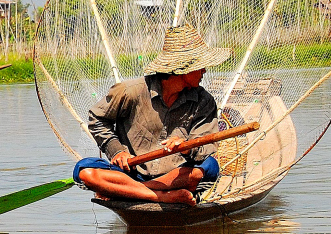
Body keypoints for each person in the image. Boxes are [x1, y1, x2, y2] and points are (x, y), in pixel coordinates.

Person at [74, 24, 229, 206]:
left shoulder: (203, 101)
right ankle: (160, 196)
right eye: (200, 66)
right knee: (84, 170)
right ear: (183, 69)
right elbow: (98, 120)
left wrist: (186, 147)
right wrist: (117, 151)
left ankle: (130, 192)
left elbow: (206, 148)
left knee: (209, 167)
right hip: (132, 174)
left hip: (176, 176)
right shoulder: (130, 91)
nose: (204, 71)